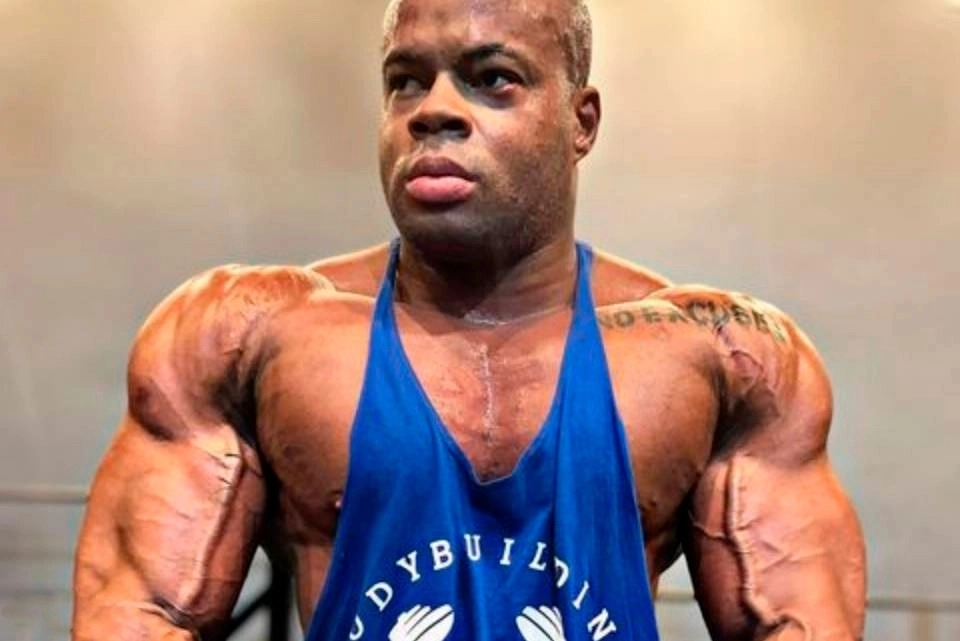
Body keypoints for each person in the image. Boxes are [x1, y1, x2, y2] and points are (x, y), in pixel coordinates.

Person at [72, 0, 866, 639]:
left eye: (492, 79)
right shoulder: (243, 336)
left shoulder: (720, 355)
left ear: (582, 121)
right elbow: (142, 617)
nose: (434, 111)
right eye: (406, 82)